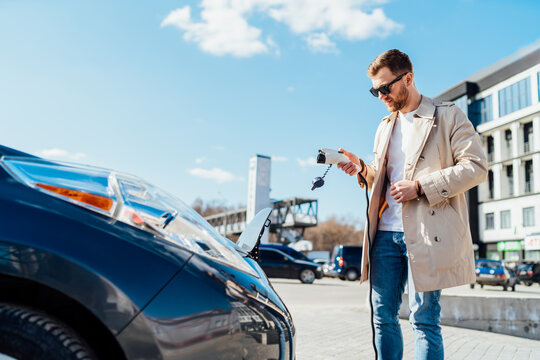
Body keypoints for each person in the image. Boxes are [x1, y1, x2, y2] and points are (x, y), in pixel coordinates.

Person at [337, 49, 487, 360]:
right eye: (374, 91)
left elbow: (476, 167)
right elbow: (382, 175)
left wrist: (420, 187)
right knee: (382, 316)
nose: (380, 96)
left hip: (426, 232)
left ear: (408, 78)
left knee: (424, 319)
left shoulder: (448, 115)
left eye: (385, 88)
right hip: (385, 236)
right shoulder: (384, 126)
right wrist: (362, 169)